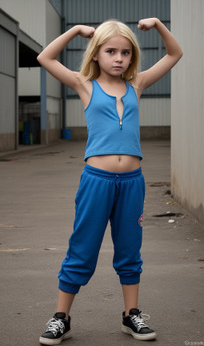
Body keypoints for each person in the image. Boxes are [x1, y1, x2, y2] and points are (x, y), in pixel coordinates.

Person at [37, 18, 183, 345]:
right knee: (83, 248)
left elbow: (174, 54)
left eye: (126, 53)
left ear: (132, 58)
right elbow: (44, 58)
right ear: (96, 55)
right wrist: (76, 31)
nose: (119, 58)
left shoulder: (138, 85)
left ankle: (131, 316)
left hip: (132, 183)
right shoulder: (84, 85)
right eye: (111, 51)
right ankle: (62, 317)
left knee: (130, 249)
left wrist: (158, 24)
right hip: (96, 182)